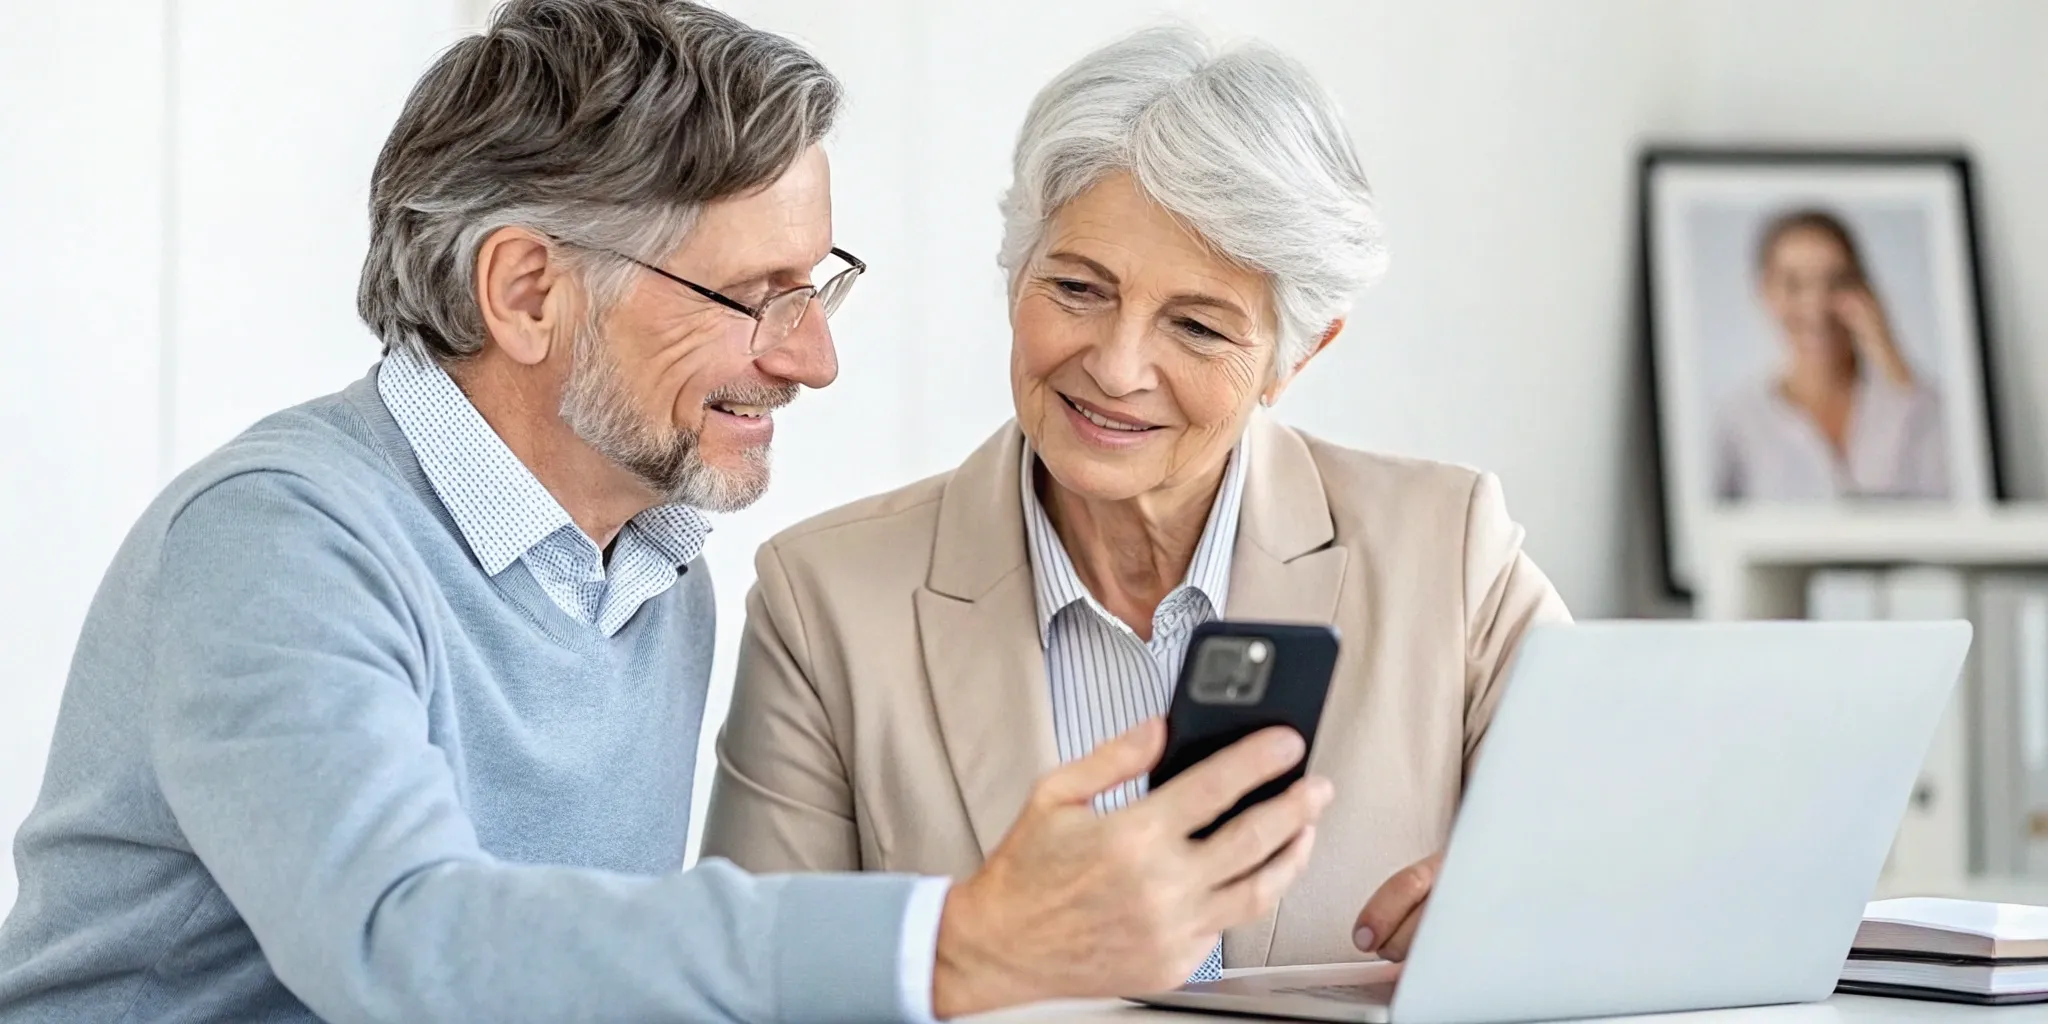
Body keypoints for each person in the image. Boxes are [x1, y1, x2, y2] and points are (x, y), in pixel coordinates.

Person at [0, 3, 1332, 1022]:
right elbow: (406, 948)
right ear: (525, 291)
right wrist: (959, 937)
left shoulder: (649, 573)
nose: (812, 358)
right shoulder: (280, 542)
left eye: (818, 289)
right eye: (754, 297)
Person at [701, 24, 1571, 974]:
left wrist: (1540, 914)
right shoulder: (822, 599)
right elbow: (757, 983)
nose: (1116, 369)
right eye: (1077, 288)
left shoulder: (1451, 557)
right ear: (1015, 276)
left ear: (1296, 356)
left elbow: (1640, 863)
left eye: (1197, 326)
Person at [1712, 208, 1951, 501]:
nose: (1816, 306)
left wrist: (1893, 361)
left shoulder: (1914, 406)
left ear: (1864, 291)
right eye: (1793, 284)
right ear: (1766, 292)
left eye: (1836, 282)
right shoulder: (1738, 423)